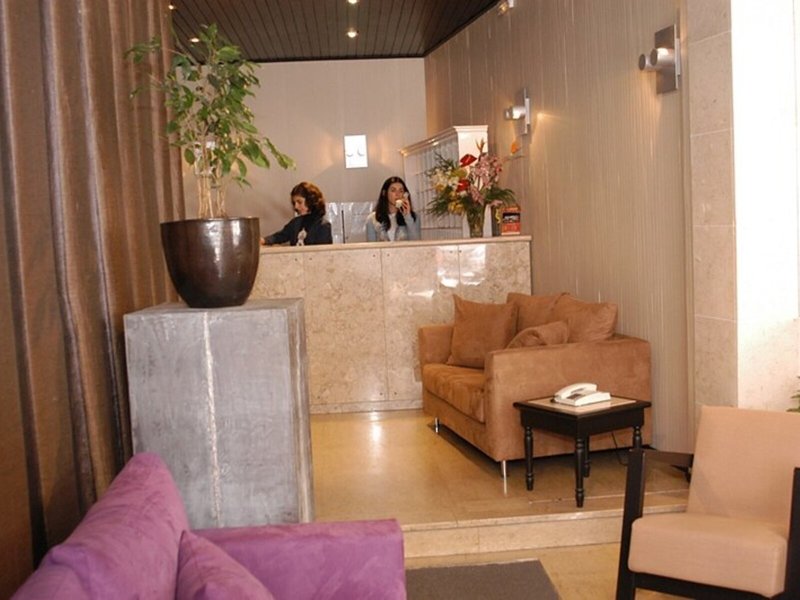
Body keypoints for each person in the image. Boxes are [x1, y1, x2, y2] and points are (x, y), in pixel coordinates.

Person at [262, 182, 332, 246]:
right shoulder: (295, 223)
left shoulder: (323, 226)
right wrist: (264, 240)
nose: (296, 206)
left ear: (311, 200)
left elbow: (321, 253)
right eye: (294, 203)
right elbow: (280, 236)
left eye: (299, 202)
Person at [366, 176, 421, 242]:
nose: (397, 194)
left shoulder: (414, 217)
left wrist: (408, 216)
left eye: (401, 191)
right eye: (393, 190)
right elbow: (371, 246)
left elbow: (417, 243)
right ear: (384, 193)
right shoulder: (372, 219)